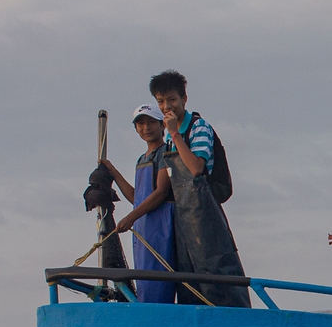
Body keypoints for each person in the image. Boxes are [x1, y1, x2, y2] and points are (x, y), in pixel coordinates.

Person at [147, 70, 249, 308]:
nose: (166, 106)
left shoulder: (198, 128)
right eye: (160, 101)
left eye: (171, 99)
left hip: (206, 215)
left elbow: (195, 169)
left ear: (184, 99)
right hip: (183, 217)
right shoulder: (172, 140)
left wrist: (173, 132)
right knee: (188, 278)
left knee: (216, 272)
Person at [99, 104, 176, 303]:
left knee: (159, 279)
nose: (146, 128)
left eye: (151, 122)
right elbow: (136, 197)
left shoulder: (165, 153)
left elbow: (161, 192)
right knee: (144, 278)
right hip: (143, 229)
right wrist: (113, 172)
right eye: (141, 124)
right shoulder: (142, 159)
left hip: (161, 226)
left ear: (162, 126)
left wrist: (130, 218)